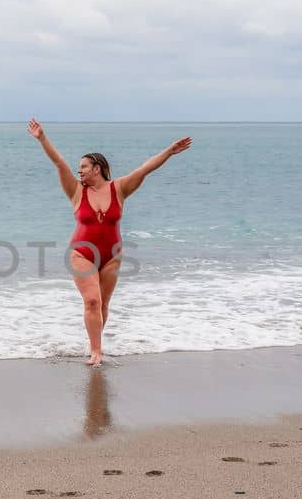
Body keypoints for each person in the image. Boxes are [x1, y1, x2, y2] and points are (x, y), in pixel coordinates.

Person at [27, 119, 193, 365]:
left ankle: (95, 344)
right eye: (79, 167)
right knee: (92, 300)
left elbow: (144, 169)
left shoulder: (119, 188)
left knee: (103, 304)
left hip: (112, 255)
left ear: (98, 168)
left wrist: (169, 151)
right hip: (81, 253)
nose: (79, 170)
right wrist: (42, 138)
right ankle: (96, 352)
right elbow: (58, 163)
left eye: (83, 166)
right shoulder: (75, 190)